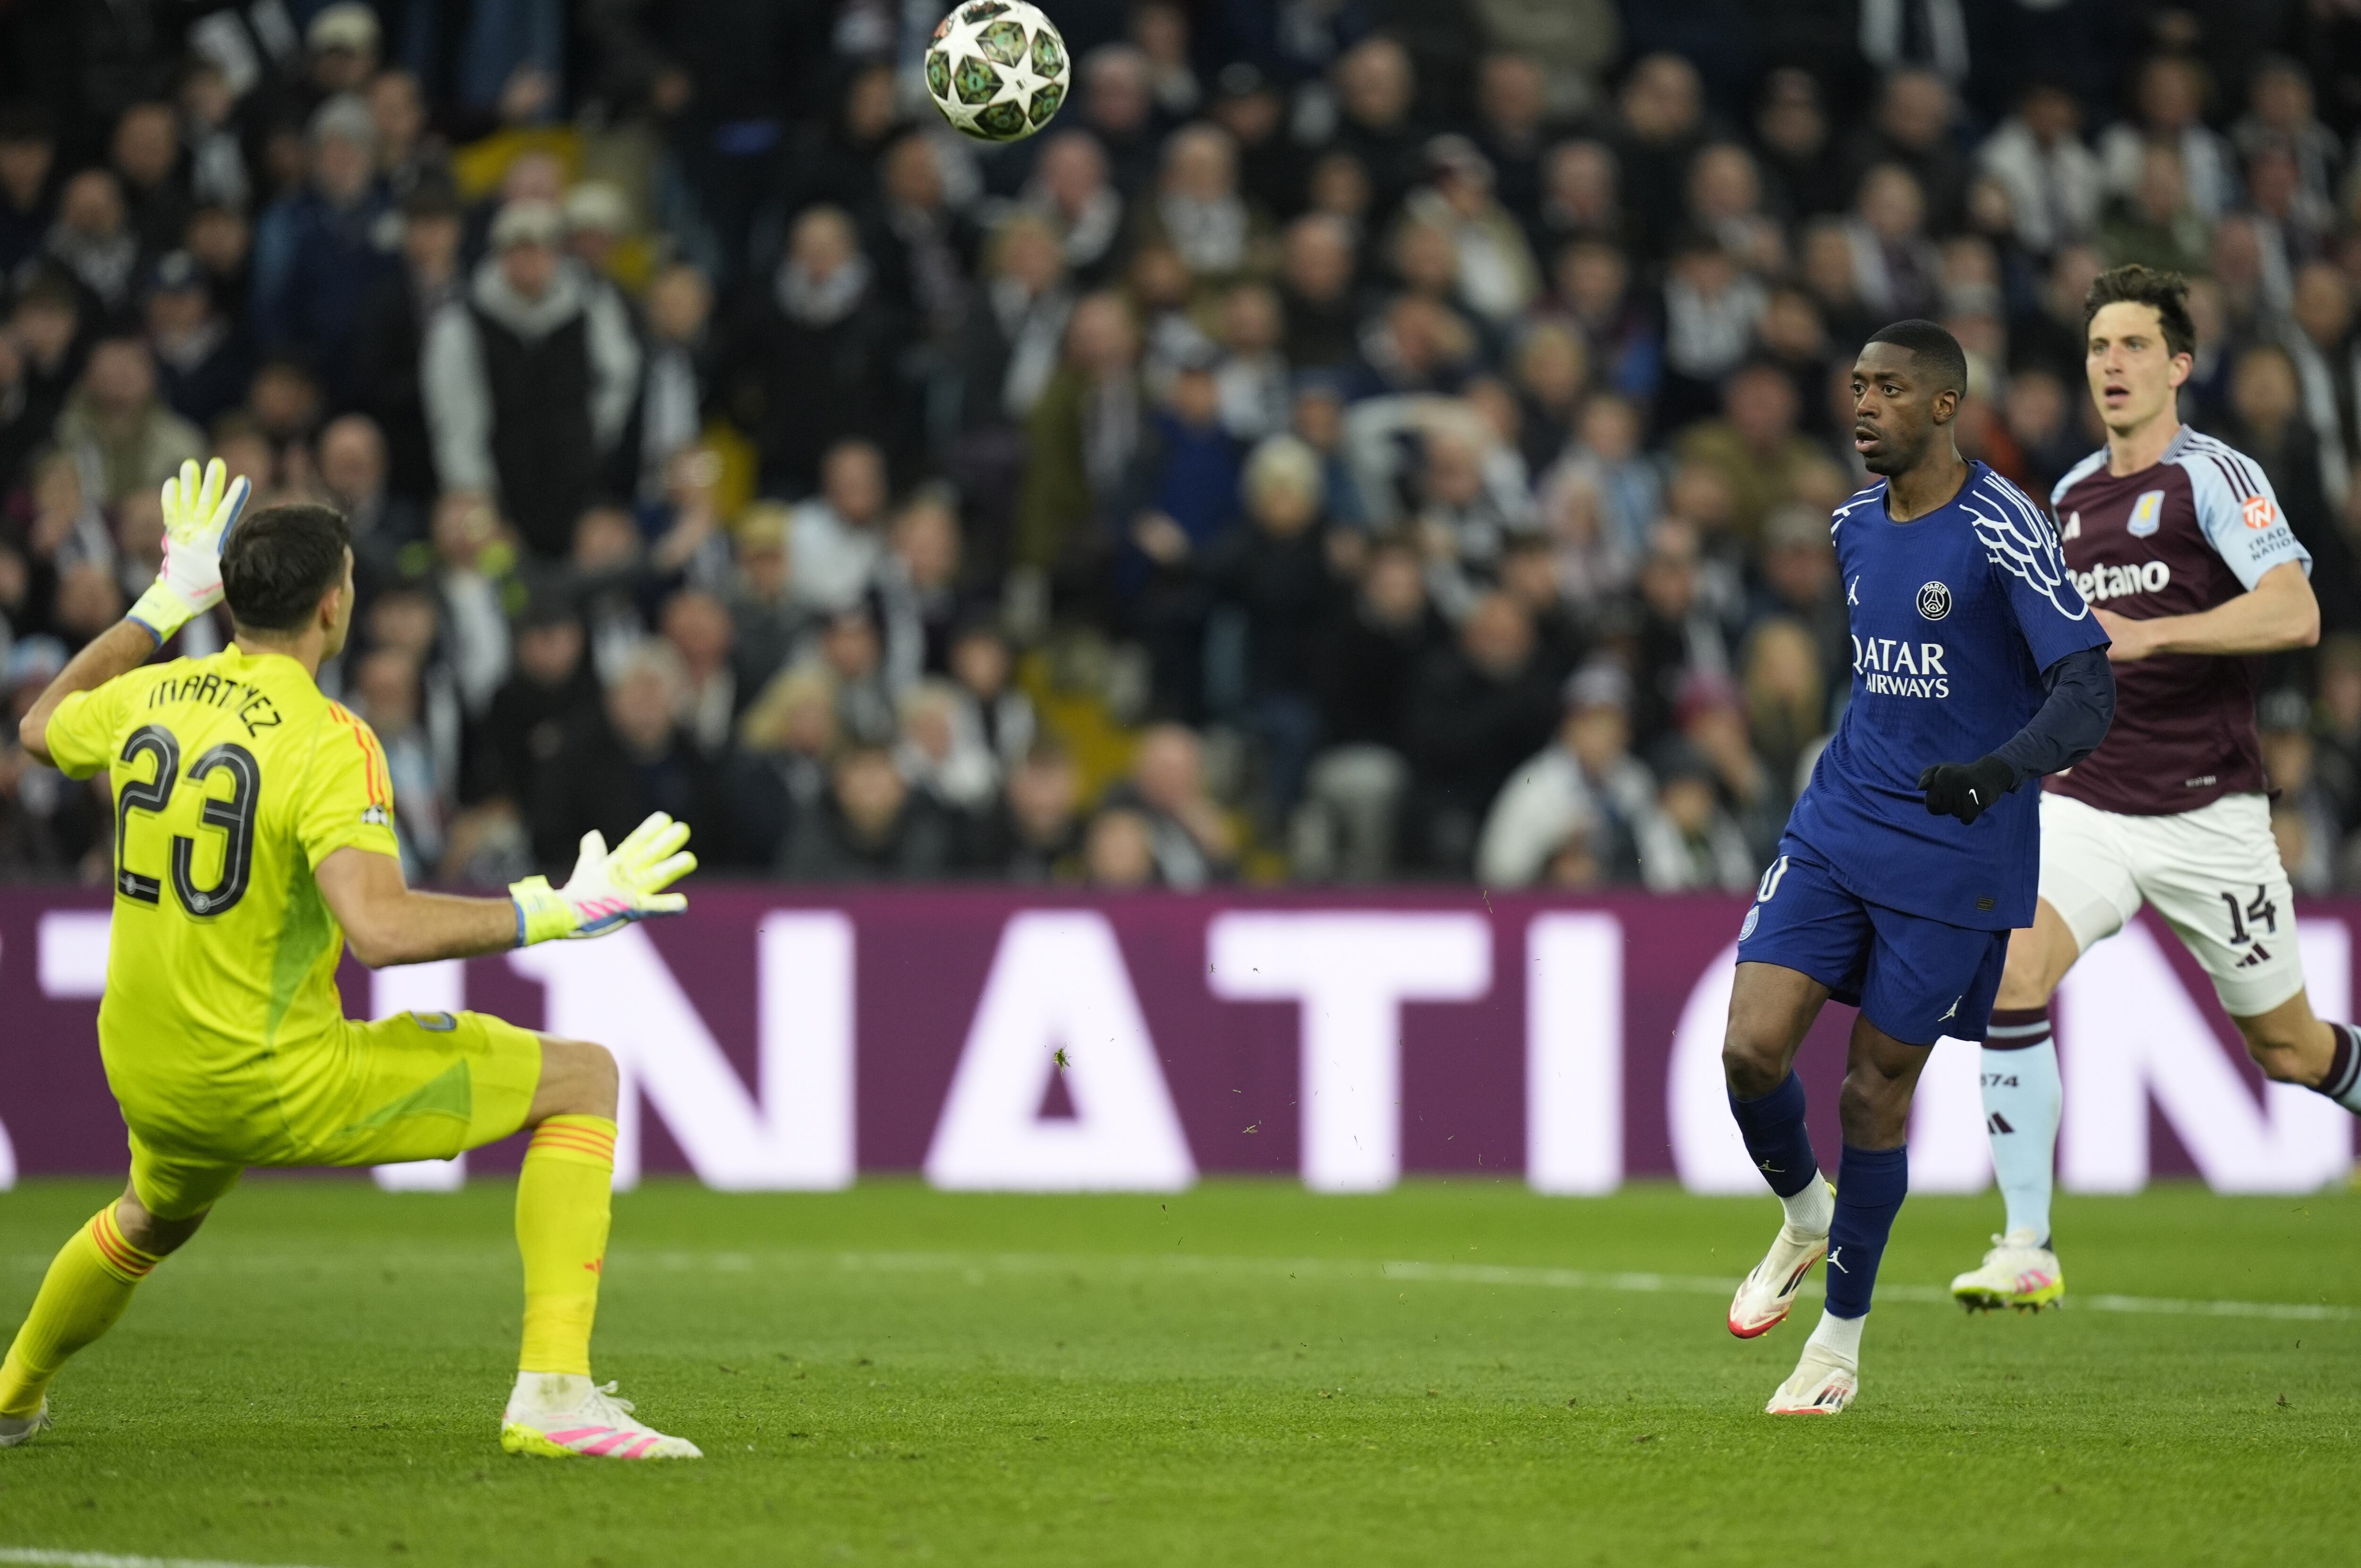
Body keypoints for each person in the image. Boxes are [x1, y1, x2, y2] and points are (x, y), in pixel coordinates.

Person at [0, 462, 701, 1459]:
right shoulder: (331, 739)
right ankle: (555, 1389)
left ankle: (11, 1391)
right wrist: (549, 909)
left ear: (231, 596)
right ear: (334, 607)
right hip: (273, 1075)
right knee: (581, 1077)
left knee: (149, 1217)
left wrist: (163, 600)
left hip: (150, 1067)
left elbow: (37, 724)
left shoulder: (150, 693)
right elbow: (380, 929)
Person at [1720, 321, 2115, 1416]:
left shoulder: (2003, 527)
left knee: (1871, 1087)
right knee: (1751, 1048)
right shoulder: (1850, 525)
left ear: (1945, 406)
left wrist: (1994, 774)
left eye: (1888, 389)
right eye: (1855, 386)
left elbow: (2087, 687)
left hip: (1958, 851)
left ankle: (1836, 1348)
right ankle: (1803, 1215)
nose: (1862, 406)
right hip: (1841, 821)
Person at [1950, 265, 2361, 1312]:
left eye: (2134, 345)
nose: (2113, 365)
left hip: (2208, 810)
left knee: (2290, 1049)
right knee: (2010, 970)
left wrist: (2153, 632)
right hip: (2088, 802)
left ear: (2179, 364)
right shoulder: (2070, 498)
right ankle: (2027, 1242)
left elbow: (2294, 611)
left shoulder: (2212, 477)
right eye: (2098, 348)